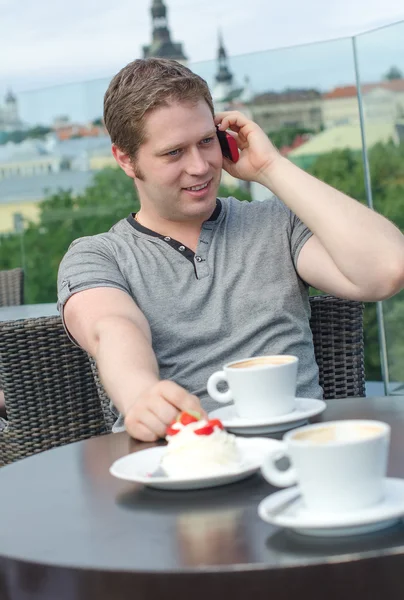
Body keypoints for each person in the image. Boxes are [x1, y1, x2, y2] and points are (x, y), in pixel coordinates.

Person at [57, 58, 404, 442]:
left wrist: (271, 167)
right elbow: (113, 330)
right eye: (174, 153)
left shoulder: (277, 223)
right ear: (125, 159)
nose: (201, 166)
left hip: (293, 456)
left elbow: (387, 269)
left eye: (207, 141)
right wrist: (140, 394)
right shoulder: (99, 255)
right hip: (180, 463)